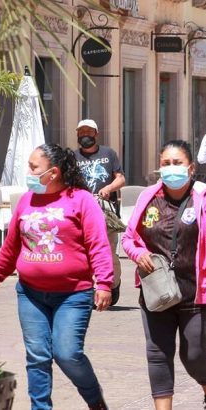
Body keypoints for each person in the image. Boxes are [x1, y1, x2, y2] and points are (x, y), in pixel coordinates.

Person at [0, 144, 112, 410]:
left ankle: (94, 399)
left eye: (33, 167)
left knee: (67, 354)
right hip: (31, 294)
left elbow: (97, 244)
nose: (28, 172)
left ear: (52, 173)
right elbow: (11, 245)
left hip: (74, 294)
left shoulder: (81, 200)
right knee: (37, 357)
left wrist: (105, 283)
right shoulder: (27, 200)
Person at [121, 140, 206, 410]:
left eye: (177, 163)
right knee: (157, 354)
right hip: (156, 290)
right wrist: (137, 254)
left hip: (197, 291)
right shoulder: (149, 196)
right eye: (165, 164)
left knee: (193, 355)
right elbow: (129, 238)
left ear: (191, 168)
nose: (171, 169)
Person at [73, 119, 125, 305]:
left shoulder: (108, 153)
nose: (85, 135)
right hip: (82, 212)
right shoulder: (73, 157)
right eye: (81, 132)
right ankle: (88, 290)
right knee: (83, 253)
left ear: (96, 134)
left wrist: (109, 188)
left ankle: (113, 284)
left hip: (105, 212)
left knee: (108, 252)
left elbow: (120, 178)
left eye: (88, 131)